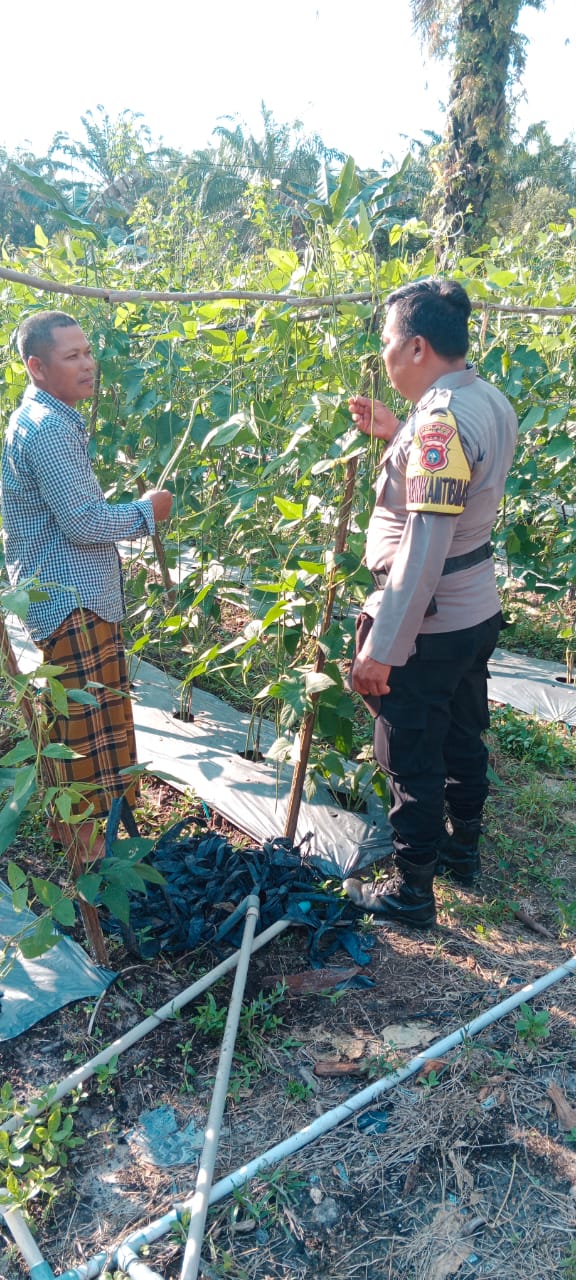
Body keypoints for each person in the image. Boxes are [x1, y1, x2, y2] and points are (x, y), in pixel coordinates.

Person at [345, 279, 518, 928]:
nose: (385, 354)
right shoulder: (483, 398)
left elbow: (424, 542)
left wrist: (384, 648)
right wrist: (397, 434)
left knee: (411, 746)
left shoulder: (439, 422)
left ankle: (412, 892)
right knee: (464, 729)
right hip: (475, 606)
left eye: (388, 342)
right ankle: (460, 852)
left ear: (417, 347)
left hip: (432, 616)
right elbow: (456, 490)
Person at [1, 311, 173, 864]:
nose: (88, 364)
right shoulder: (49, 429)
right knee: (81, 728)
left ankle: (102, 832)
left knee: (96, 717)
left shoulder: (47, 418)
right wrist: (148, 513)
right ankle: (83, 845)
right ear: (37, 366)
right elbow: (82, 522)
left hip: (76, 594)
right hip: (69, 597)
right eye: (71, 356)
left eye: (87, 351)